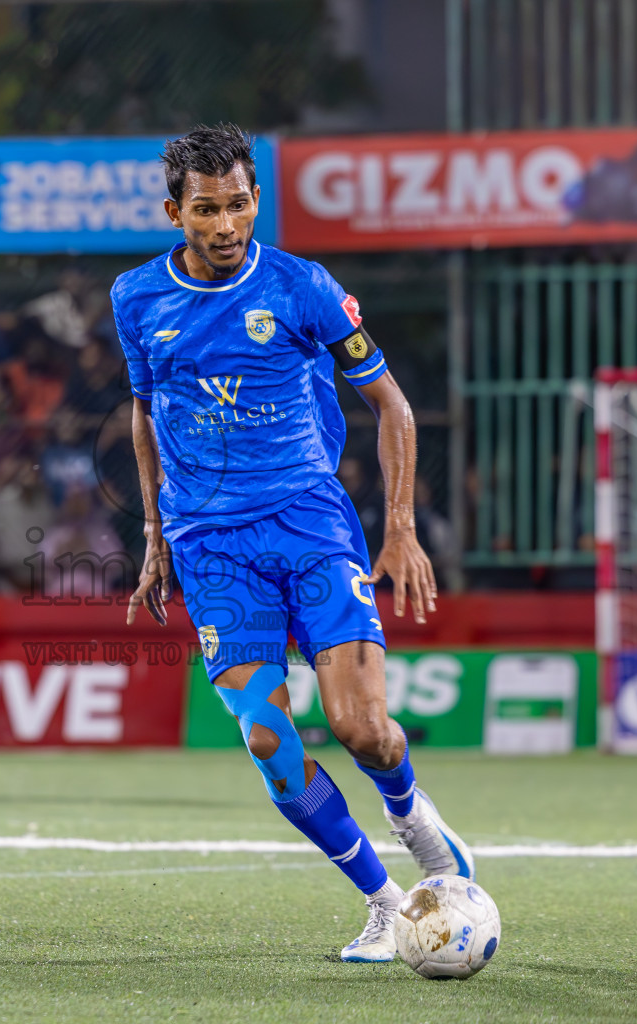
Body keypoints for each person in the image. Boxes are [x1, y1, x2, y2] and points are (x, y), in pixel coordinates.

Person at [117, 124, 470, 964]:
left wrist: (401, 528)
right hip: (210, 547)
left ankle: (410, 810)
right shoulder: (137, 300)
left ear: (256, 201)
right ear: (176, 212)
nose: (226, 223)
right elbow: (144, 413)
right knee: (269, 742)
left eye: (239, 204)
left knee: (362, 729)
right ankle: (388, 907)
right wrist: (154, 532)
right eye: (206, 210)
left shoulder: (304, 287)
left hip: (309, 525)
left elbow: (394, 407)